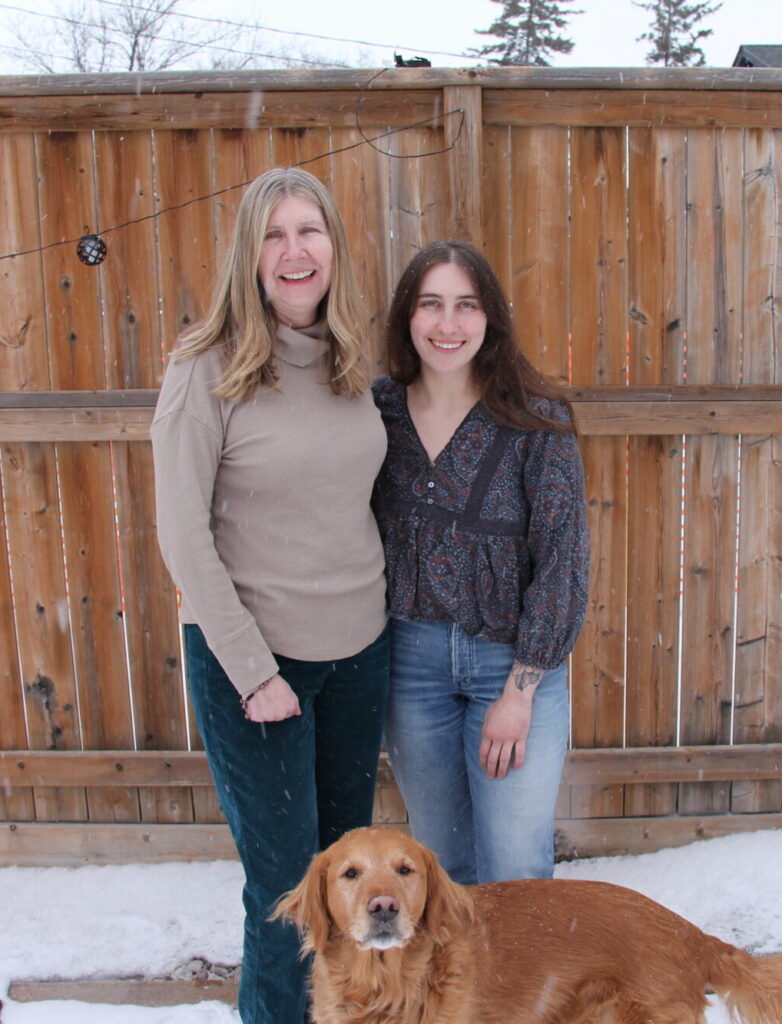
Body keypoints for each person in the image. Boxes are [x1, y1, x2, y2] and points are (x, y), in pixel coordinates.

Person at [151, 167, 389, 1024]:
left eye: (310, 230)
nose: (295, 251)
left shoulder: (351, 361)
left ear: (334, 247)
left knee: (345, 883)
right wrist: (254, 673)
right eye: (274, 234)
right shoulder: (205, 369)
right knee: (288, 893)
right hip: (257, 670)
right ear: (249, 256)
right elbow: (183, 535)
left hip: (357, 655)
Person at [372, 240, 589, 886]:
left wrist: (520, 691)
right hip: (412, 667)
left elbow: (563, 561)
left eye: (466, 305)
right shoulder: (377, 412)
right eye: (431, 304)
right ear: (408, 316)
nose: (448, 324)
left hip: (512, 664)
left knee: (516, 869)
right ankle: (456, 963)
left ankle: (520, 964)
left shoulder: (535, 418)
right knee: (441, 867)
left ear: (490, 315)